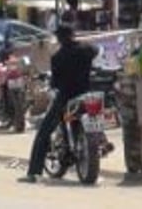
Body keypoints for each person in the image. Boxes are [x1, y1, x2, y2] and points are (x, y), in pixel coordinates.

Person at [19, 24, 97, 183]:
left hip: (66, 98)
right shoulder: (87, 49)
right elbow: (96, 52)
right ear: (73, 35)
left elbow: (55, 83)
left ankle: (34, 171)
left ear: (60, 38)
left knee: (43, 132)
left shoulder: (58, 57)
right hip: (86, 95)